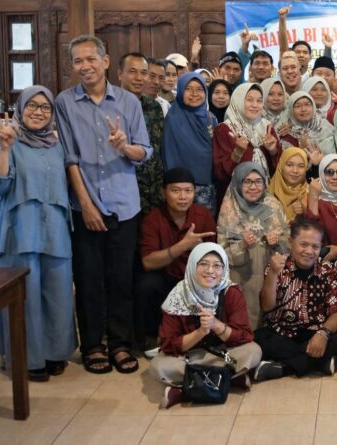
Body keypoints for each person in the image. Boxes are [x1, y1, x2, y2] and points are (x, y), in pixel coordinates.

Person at [56, 35, 151, 375]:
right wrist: (86, 205)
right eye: (78, 61)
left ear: (105, 61)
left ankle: (120, 344)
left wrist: (124, 147)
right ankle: (93, 345)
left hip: (124, 205)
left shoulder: (128, 102)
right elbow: (69, 158)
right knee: (88, 279)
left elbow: (144, 152)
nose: (85, 66)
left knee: (121, 279)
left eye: (90, 59)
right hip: (86, 207)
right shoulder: (65, 103)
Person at [0, 86, 76, 382]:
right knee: (25, 297)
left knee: (58, 294)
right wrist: (4, 149)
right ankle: (28, 358)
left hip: (55, 229)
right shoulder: (8, 140)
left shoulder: (57, 145)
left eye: (45, 107)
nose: (38, 112)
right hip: (20, 230)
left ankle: (55, 352)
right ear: (20, 109)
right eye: (32, 105)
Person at [152, 243, 263, 409]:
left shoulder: (231, 292)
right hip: (189, 358)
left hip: (222, 354)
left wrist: (216, 325)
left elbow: (245, 335)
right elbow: (168, 344)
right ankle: (227, 378)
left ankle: (185, 388)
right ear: (192, 265)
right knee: (159, 366)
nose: (210, 271)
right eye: (203, 264)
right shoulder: (178, 295)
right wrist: (201, 332)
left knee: (253, 351)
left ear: (224, 269)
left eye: (217, 266)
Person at [253, 218, 337, 381]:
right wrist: (273, 274)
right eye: (303, 244)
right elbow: (267, 306)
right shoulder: (276, 267)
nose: (309, 251)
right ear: (291, 242)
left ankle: (282, 368)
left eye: (315, 246)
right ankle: (318, 363)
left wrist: (323, 334)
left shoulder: (327, 270)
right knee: (258, 339)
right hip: (281, 332)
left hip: (314, 332)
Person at [135, 168, 216, 355]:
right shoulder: (153, 219)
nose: (183, 197)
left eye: (188, 191)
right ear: (164, 192)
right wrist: (182, 246)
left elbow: (214, 255)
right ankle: (151, 338)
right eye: (176, 190)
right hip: (166, 277)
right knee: (146, 285)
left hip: (195, 279)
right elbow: (148, 262)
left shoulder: (202, 215)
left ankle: (204, 335)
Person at [217, 162, 290, 328]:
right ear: (238, 182)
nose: (253, 187)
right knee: (242, 324)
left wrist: (277, 242)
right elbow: (221, 255)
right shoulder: (229, 209)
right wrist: (242, 245)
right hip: (240, 277)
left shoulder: (273, 205)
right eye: (247, 181)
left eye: (258, 181)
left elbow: (288, 242)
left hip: (271, 274)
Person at [212, 83, 281, 208]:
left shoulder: (267, 127)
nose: (255, 105)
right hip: (235, 199)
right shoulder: (225, 129)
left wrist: (272, 151)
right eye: (249, 100)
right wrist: (238, 152)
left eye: (259, 101)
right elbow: (220, 173)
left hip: (265, 197)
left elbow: (279, 168)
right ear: (238, 100)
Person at [162, 73, 219, 213]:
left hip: (206, 186)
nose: (194, 94)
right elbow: (167, 152)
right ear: (181, 90)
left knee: (204, 222)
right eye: (188, 89)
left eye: (199, 89)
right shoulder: (172, 118)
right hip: (178, 186)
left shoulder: (211, 118)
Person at [118, 52, 166, 216]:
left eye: (144, 73)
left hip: (154, 187)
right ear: (120, 74)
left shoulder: (154, 107)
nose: (139, 78)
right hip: (125, 187)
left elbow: (158, 147)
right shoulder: (110, 106)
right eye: (132, 72)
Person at [268, 146, 309, 222]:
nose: (295, 171)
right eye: (289, 165)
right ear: (281, 166)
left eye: (301, 166)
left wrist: (306, 212)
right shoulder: (269, 192)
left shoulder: (310, 194)